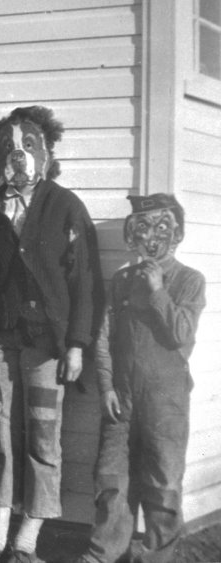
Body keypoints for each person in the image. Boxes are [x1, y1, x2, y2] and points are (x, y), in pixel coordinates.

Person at [0, 106, 103, 562]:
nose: (18, 157)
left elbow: (86, 280)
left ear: (46, 153)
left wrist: (76, 344)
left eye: (28, 147)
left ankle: (28, 537)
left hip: (48, 345)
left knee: (43, 438)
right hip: (0, 340)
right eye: (9, 149)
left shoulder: (65, 205)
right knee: (1, 436)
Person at [72, 194, 205, 563]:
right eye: (141, 227)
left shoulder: (190, 280)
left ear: (176, 232)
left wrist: (159, 289)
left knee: (163, 484)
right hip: (122, 396)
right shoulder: (122, 279)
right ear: (131, 235)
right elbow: (103, 337)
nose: (151, 237)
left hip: (166, 399)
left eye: (161, 227)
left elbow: (181, 332)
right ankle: (104, 553)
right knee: (111, 478)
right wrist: (106, 386)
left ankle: (156, 557)